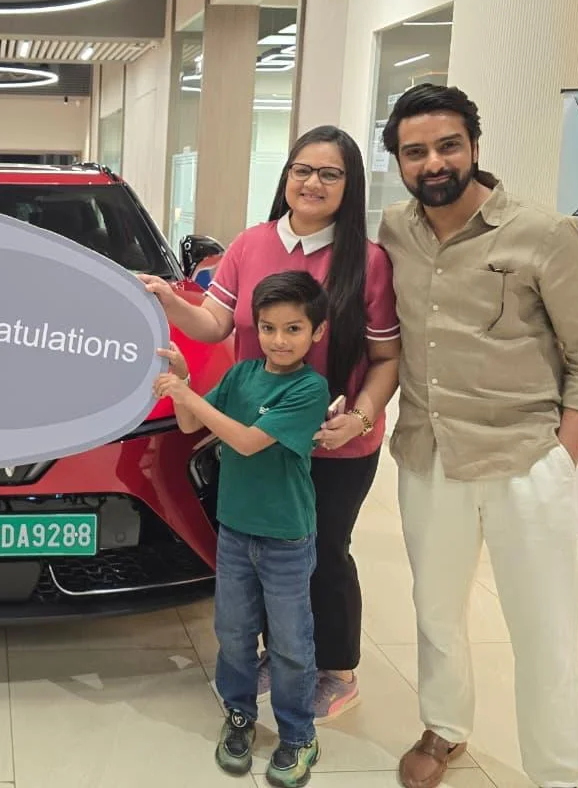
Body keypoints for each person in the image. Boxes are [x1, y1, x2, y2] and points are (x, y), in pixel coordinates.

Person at [377, 83, 578, 788]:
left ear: (474, 147)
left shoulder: (544, 233)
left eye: (447, 145)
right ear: (399, 161)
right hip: (428, 454)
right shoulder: (395, 230)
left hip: (525, 460)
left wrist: (559, 458)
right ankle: (444, 726)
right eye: (415, 152)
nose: (433, 162)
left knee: (544, 627)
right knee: (435, 611)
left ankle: (559, 772)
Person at [140, 125, 401, 720]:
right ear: (286, 176)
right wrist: (169, 300)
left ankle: (337, 669)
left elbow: (387, 358)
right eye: (302, 170)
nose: (313, 183)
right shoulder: (250, 244)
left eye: (330, 174)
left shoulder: (368, 261)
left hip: (335, 443)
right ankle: (277, 655)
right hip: (255, 439)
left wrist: (361, 419)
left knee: (324, 553)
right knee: (261, 555)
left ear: (350, 185)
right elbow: (214, 324)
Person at [155, 270, 331, 787]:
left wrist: (190, 397)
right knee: (233, 634)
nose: (280, 340)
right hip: (234, 532)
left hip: (286, 538)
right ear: (256, 328)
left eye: (294, 329)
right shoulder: (241, 375)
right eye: (269, 328)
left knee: (291, 643)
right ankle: (239, 715)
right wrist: (184, 380)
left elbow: (247, 441)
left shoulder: (309, 388)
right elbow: (191, 426)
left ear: (317, 332)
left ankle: (298, 734)